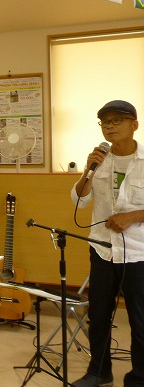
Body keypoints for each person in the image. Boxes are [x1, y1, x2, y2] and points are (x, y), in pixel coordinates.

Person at [71, 100, 144, 387]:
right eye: (105, 122)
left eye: (117, 120)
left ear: (134, 124)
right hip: (102, 249)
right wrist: (88, 171)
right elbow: (79, 199)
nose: (109, 126)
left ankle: (139, 378)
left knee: (140, 320)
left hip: (138, 253)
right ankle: (99, 372)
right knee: (99, 314)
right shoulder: (99, 160)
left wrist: (133, 216)